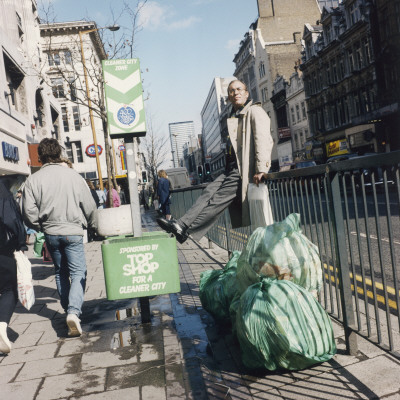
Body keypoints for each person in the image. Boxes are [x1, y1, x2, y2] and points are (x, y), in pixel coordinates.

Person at [157, 79, 273, 243]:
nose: (236, 92)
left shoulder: (254, 111)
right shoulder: (235, 116)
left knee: (216, 201)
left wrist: (261, 169)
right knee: (208, 193)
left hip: (242, 171)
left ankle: (186, 229)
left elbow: (264, 140)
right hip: (230, 169)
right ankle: (181, 224)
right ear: (229, 97)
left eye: (239, 89)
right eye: (232, 91)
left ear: (247, 94)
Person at [22, 138, 97, 337]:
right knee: (78, 272)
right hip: (72, 230)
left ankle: (68, 310)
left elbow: (28, 213)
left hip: (51, 233)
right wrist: (94, 225)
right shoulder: (73, 176)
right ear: (59, 153)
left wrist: (43, 225)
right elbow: (89, 206)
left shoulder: (33, 180)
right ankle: (74, 312)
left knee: (60, 272)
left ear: (40, 156)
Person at [0, 182, 28, 353]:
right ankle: (1, 326)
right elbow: (11, 218)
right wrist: (20, 243)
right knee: (9, 289)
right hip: (2, 248)